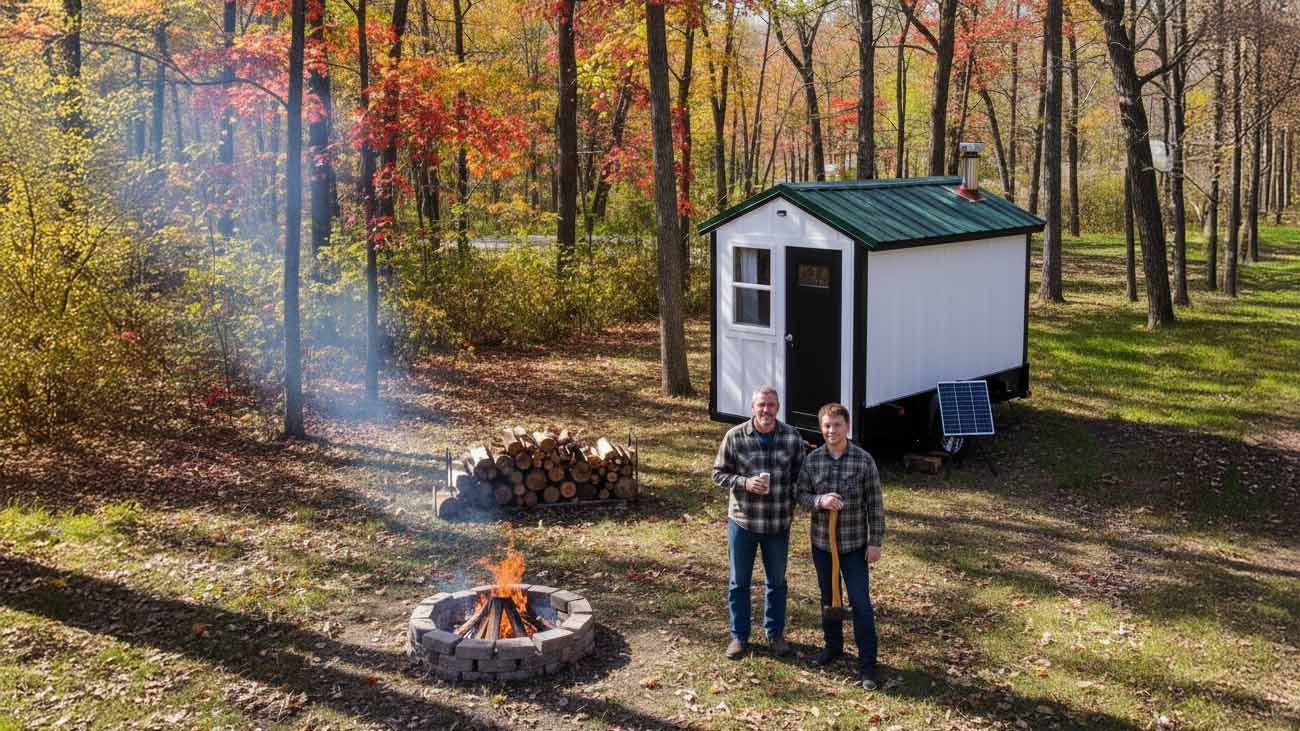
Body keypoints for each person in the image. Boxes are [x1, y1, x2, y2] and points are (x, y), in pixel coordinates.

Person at [711, 385, 807, 660]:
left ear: (778, 407)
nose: (766, 410)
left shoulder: (792, 437)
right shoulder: (735, 436)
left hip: (778, 523)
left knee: (776, 582)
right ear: (753, 407)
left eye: (771, 405)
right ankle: (739, 637)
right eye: (761, 405)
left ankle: (775, 634)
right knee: (739, 582)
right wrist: (744, 482)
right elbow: (718, 474)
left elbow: (803, 478)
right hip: (743, 522)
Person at [795, 402, 885, 690]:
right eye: (826, 425)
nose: (831, 430)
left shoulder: (863, 460)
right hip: (823, 545)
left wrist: (875, 543)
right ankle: (833, 648)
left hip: (855, 547)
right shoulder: (813, 460)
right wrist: (819, 501)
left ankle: (868, 664)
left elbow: (875, 504)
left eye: (836, 425)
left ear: (847, 427)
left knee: (860, 603)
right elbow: (800, 494)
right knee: (828, 599)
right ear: (821, 428)